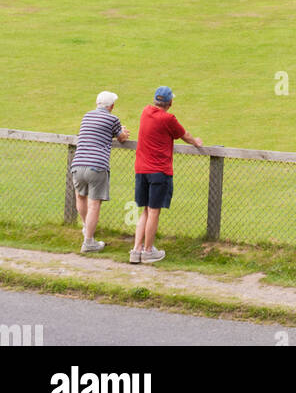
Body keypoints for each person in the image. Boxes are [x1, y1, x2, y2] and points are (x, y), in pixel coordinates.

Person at [130, 88, 203, 265]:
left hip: (141, 170)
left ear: (155, 100)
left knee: (145, 210)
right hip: (159, 171)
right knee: (154, 211)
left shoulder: (145, 112)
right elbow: (184, 135)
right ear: (170, 103)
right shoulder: (168, 119)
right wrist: (196, 142)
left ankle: (136, 250)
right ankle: (148, 251)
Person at [69, 91, 129, 254]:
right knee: (94, 203)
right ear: (112, 106)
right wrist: (123, 131)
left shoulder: (86, 116)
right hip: (97, 165)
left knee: (80, 197)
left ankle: (86, 229)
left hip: (78, 163)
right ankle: (89, 242)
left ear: (97, 103)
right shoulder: (112, 119)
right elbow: (122, 138)